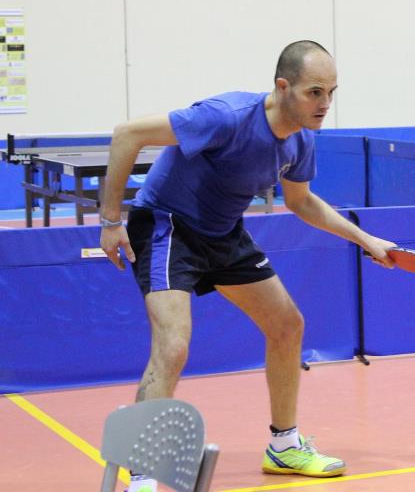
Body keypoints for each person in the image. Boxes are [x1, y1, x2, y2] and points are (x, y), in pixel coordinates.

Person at [99, 40, 397, 485]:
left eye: (332, 92)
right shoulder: (226, 117)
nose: (326, 104)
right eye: (315, 92)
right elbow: (127, 134)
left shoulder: (300, 141)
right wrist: (109, 221)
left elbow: (302, 202)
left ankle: (283, 446)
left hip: (223, 232)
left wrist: (365, 238)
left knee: (287, 325)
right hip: (168, 225)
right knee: (173, 345)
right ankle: (143, 476)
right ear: (283, 87)